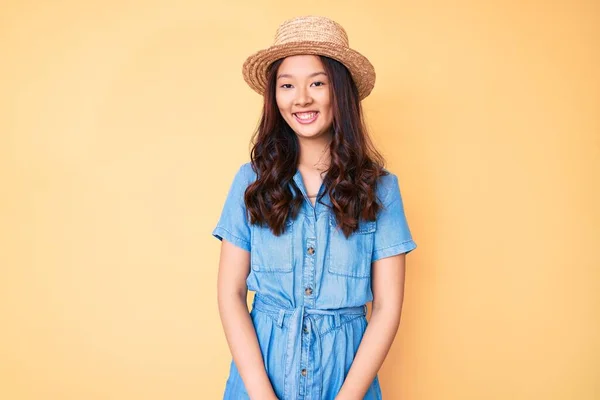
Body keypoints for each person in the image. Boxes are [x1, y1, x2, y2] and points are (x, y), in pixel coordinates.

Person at [212, 15, 417, 400]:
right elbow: (230, 294)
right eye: (287, 85)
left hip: (345, 380)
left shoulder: (381, 189)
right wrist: (261, 395)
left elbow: (388, 308)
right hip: (260, 379)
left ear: (340, 92)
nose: (300, 98)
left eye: (317, 83)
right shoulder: (250, 181)